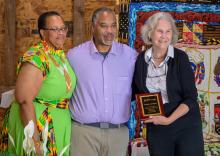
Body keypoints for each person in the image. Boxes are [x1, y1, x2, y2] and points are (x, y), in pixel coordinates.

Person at [0, 11, 76, 156]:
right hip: (38, 128)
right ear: (42, 33)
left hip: (56, 124)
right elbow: (23, 100)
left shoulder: (58, 54)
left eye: (63, 28)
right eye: (55, 29)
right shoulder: (37, 57)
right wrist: (34, 142)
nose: (61, 33)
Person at [67, 7, 137, 156]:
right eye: (104, 26)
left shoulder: (131, 56)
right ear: (93, 27)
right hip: (83, 133)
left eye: (113, 26)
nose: (110, 31)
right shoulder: (74, 56)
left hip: (117, 135)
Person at [132, 12, 204, 156]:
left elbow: (191, 98)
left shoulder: (180, 58)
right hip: (157, 126)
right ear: (150, 33)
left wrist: (169, 120)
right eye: (160, 31)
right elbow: (135, 91)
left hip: (185, 125)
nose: (164, 36)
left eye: (168, 31)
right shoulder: (140, 60)